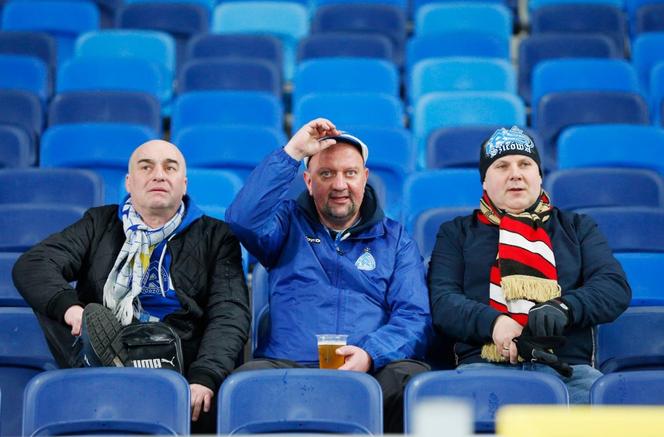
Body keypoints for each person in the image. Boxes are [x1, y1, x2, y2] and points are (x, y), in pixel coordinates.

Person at [13, 139, 251, 432]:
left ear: (184, 183)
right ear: (129, 181)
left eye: (170, 167)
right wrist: (71, 310)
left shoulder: (216, 236)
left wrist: (205, 376)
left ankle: (116, 370)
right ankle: (105, 361)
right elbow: (33, 264)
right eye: (146, 166)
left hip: (178, 358)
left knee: (214, 326)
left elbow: (230, 312)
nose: (159, 175)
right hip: (107, 338)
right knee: (51, 300)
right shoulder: (99, 222)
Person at [225, 118, 431, 433]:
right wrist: (292, 152)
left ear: (365, 178)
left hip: (369, 371)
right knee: (249, 380)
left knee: (412, 379)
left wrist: (370, 354)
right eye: (326, 174)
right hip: (289, 368)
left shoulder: (395, 239)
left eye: (350, 173)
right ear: (308, 181)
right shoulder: (285, 223)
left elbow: (414, 317)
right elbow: (242, 219)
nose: (339, 185)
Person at [428, 126, 631, 403]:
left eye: (525, 164)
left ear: (539, 175)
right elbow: (443, 301)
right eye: (501, 166)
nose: (515, 174)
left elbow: (613, 288)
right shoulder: (456, 233)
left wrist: (564, 307)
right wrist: (495, 323)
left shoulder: (577, 227)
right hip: (484, 370)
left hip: (568, 372)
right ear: (484, 181)